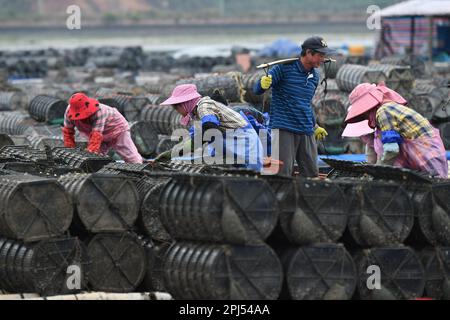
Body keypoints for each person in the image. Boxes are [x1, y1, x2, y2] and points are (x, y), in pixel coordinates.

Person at [253, 36, 334, 177]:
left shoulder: (315, 76)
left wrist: (314, 126)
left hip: (305, 129)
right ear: (309, 53)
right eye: (320, 55)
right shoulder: (283, 69)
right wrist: (262, 83)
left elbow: (305, 103)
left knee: (311, 173)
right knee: (282, 173)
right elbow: (257, 90)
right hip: (284, 128)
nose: (323, 59)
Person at [343, 82, 448, 178]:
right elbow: (377, 153)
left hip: (427, 157)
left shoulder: (383, 111)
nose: (363, 116)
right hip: (425, 155)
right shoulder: (384, 113)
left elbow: (391, 149)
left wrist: (377, 174)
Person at [155, 84, 263, 172]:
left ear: (184, 104)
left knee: (253, 176)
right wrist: (173, 152)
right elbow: (195, 138)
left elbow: (211, 130)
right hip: (232, 141)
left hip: (244, 141)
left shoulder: (204, 107)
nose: (177, 111)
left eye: (176, 107)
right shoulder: (197, 114)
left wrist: (179, 151)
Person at [62, 92, 143, 164]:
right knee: (98, 157)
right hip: (97, 133)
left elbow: (96, 136)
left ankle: (140, 170)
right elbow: (68, 132)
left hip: (116, 129)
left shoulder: (99, 111)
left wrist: (90, 154)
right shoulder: (69, 112)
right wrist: (70, 150)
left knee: (128, 154)